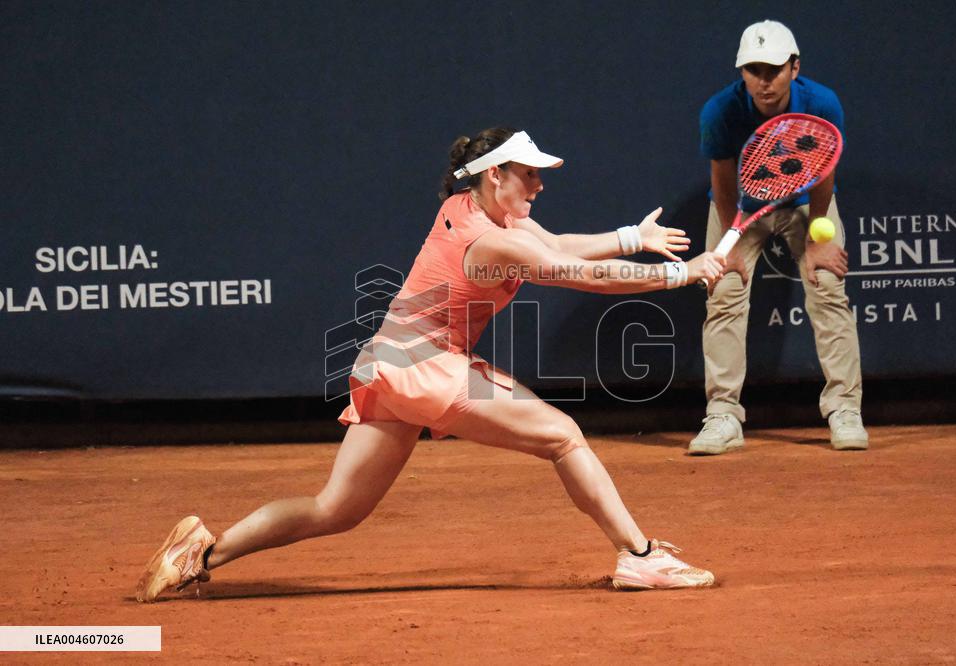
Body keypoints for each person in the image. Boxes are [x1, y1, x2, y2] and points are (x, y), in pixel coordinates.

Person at [136, 127, 726, 602]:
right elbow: (579, 275)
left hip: (389, 363)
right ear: (495, 174)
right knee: (564, 437)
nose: (539, 186)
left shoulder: (479, 210)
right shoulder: (488, 240)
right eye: (529, 175)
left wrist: (630, 236)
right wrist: (683, 273)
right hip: (428, 366)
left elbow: (556, 245)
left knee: (336, 509)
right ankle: (641, 557)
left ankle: (201, 553)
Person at [689, 20, 869, 456]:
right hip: (742, 207)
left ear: (794, 67)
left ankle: (845, 409)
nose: (764, 82)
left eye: (773, 70)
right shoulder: (721, 110)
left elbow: (824, 171)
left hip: (808, 200)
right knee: (725, 289)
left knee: (827, 284)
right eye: (753, 70)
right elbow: (723, 176)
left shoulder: (822, 103)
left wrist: (820, 237)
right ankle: (723, 416)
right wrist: (728, 244)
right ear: (742, 73)